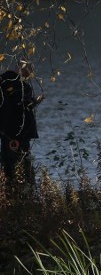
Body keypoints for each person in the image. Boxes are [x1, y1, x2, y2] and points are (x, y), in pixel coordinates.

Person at [0, 60, 42, 188]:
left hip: (8, 132)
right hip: (17, 133)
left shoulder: (8, 84)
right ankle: (21, 190)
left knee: (9, 161)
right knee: (20, 162)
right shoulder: (19, 85)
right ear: (21, 69)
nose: (31, 73)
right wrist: (34, 102)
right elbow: (21, 108)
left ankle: (11, 189)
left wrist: (33, 102)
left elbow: (18, 106)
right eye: (29, 69)